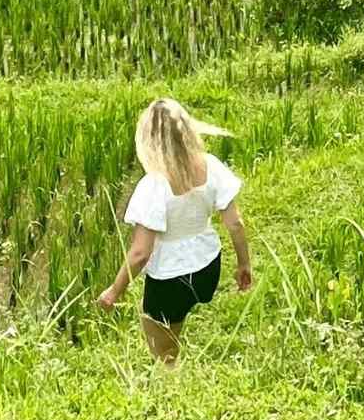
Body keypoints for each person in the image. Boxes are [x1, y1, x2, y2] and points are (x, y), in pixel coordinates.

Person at [96, 98, 253, 363]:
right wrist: (244, 264)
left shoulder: (153, 184)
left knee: (163, 351)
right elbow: (235, 223)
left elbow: (140, 253)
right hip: (208, 268)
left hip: (170, 279)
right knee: (180, 315)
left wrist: (114, 290)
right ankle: (183, 333)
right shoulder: (211, 165)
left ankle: (171, 385)